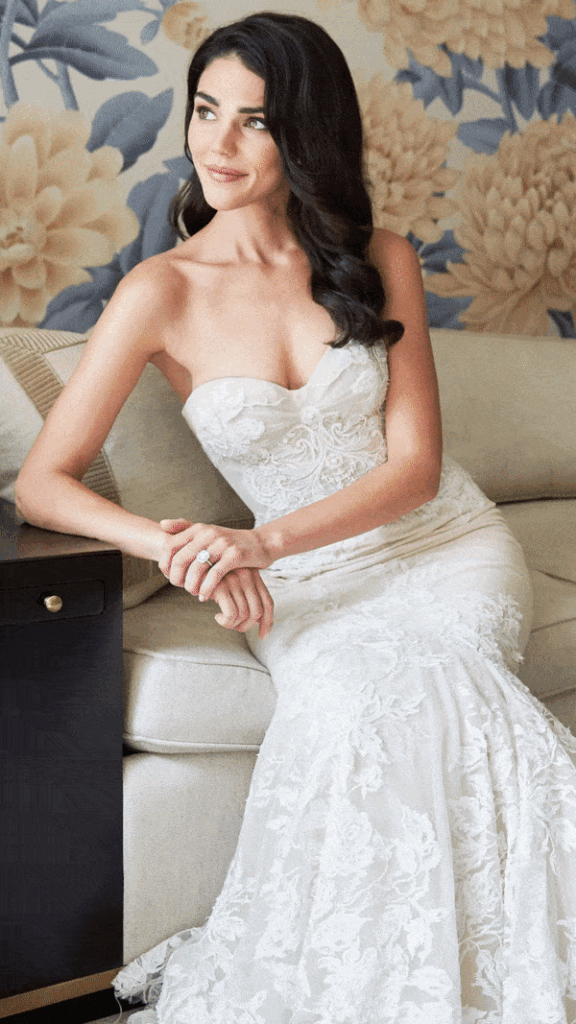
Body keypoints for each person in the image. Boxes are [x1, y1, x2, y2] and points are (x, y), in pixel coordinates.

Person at [15, 11, 576, 1023]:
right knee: (357, 706)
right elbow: (44, 483)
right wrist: (181, 546)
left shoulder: (379, 257)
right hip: (310, 589)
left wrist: (259, 540)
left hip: (447, 549)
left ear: (305, 133)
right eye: (204, 111)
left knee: (431, 696)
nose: (217, 143)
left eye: (254, 121)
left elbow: (412, 469)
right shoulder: (160, 291)